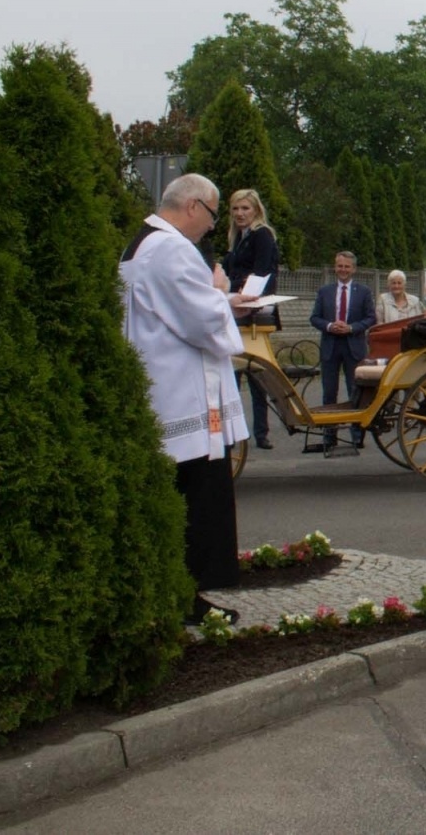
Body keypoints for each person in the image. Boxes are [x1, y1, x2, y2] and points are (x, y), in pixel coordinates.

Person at [120, 174, 254, 625]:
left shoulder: (140, 243)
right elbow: (200, 320)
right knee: (195, 501)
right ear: (193, 206)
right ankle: (187, 599)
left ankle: (177, 596)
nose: (213, 226)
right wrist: (219, 292)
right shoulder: (172, 249)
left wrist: (218, 299)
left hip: (164, 389)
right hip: (184, 399)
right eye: (213, 215)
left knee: (180, 499)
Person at [221, 188, 279, 450]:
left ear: (256, 210)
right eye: (235, 208)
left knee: (257, 376)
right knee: (232, 374)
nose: (240, 213)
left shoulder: (261, 235)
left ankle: (261, 432)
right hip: (236, 306)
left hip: (253, 308)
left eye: (245, 208)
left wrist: (237, 294)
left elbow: (262, 273)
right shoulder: (238, 239)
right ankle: (233, 430)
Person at [309, 251, 376, 449]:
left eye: (347, 266)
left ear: (353, 269)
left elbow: (371, 318)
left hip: (353, 346)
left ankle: (357, 435)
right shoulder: (325, 291)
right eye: (340, 266)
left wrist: (352, 327)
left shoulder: (363, 291)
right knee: (329, 393)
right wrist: (330, 326)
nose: (343, 270)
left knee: (355, 392)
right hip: (330, 346)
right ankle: (329, 437)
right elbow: (314, 318)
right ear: (335, 267)